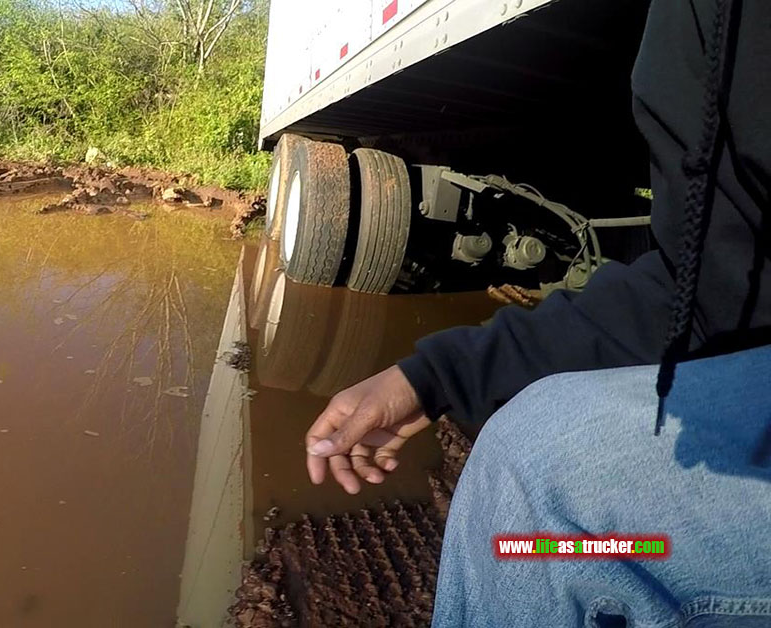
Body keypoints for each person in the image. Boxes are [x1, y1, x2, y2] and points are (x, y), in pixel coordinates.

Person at [303, 0, 771, 625]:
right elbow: (700, 287)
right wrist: (435, 376)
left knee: (539, 491)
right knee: (526, 542)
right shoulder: (693, 27)